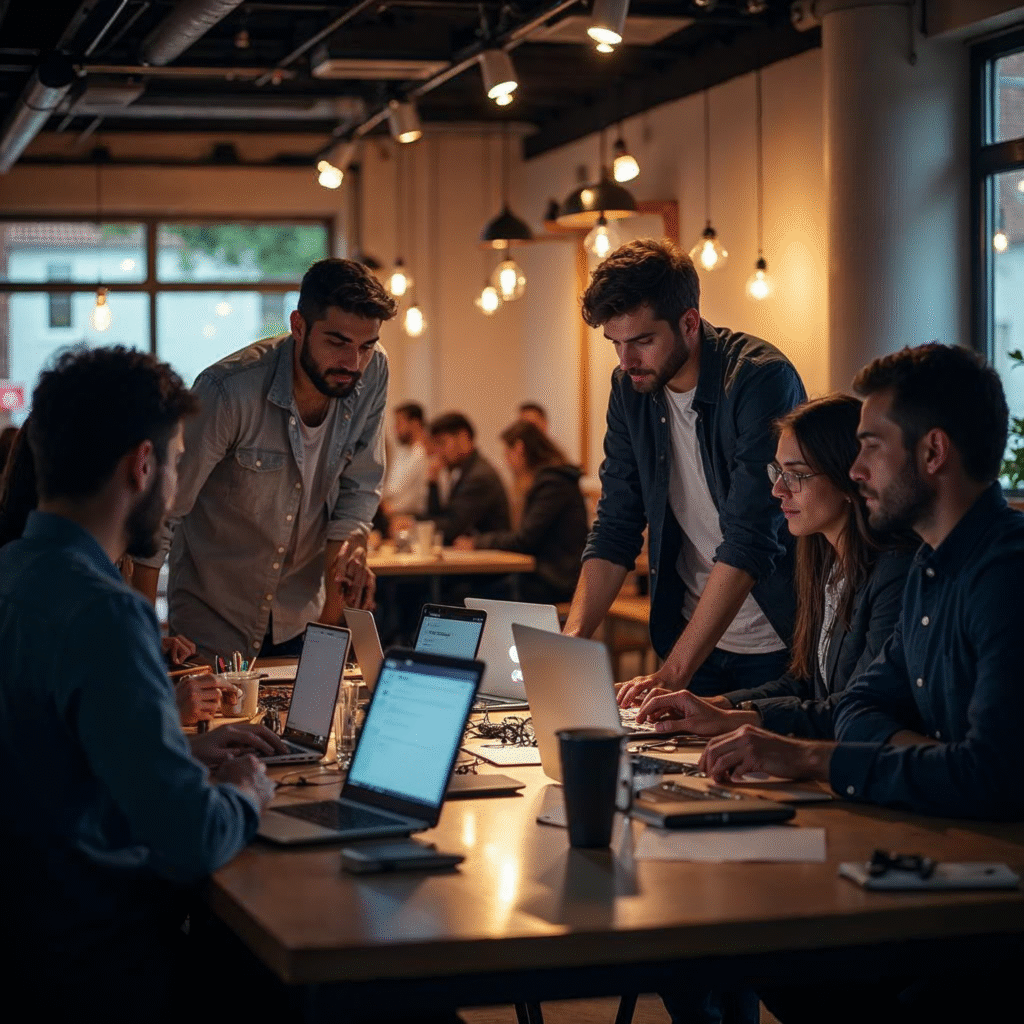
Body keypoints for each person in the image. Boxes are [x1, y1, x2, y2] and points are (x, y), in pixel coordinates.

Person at [0, 346, 282, 1013]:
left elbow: (42, 761)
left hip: (24, 943)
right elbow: (193, 836)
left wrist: (177, 752)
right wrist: (245, 790)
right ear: (143, 465)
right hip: (96, 964)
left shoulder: (11, 573)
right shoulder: (105, 612)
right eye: (180, 461)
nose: (179, 486)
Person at [698, 343, 1024, 825]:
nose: (854, 470)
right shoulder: (928, 569)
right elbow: (855, 707)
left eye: (872, 445)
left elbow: (990, 779)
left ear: (933, 451)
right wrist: (934, 757)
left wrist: (808, 757)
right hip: (944, 832)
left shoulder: (1007, 575)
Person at [565, 239, 806, 701]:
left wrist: (672, 672)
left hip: (777, 639)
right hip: (692, 640)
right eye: (615, 344)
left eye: (642, 341)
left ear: (689, 322)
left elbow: (750, 539)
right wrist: (569, 643)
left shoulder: (759, 380)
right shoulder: (630, 388)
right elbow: (617, 525)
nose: (626, 361)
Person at [132, 258, 397, 663]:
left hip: (302, 619)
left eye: (366, 346)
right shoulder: (227, 392)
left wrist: (329, 630)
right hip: (213, 625)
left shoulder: (372, 373)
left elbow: (358, 491)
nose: (352, 363)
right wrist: (142, 644)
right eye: (338, 342)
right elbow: (160, 519)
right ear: (298, 326)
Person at [637, 394, 914, 739]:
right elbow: (806, 682)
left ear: (850, 478)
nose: (778, 490)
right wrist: (718, 705)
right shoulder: (824, 561)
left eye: (796, 475)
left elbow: (858, 708)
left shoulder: (895, 571)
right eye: (778, 472)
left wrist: (740, 720)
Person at [454, 420, 588, 604]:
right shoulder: (551, 481)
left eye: (507, 454)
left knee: (464, 594)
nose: (506, 462)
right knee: (468, 587)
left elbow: (524, 540)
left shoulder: (552, 484)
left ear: (519, 448)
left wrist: (477, 542)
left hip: (555, 581)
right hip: (544, 574)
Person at [426, 411, 511, 544]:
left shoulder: (479, 477)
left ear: (463, 437)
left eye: (442, 443)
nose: (438, 452)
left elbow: (452, 529)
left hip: (491, 558)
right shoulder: (466, 470)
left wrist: (413, 524)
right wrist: (433, 482)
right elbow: (441, 518)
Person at [381, 400, 429, 522]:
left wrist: (386, 505)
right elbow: (390, 488)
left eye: (399, 423)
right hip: (393, 514)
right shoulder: (402, 452)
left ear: (415, 423)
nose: (395, 429)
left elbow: (396, 490)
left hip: (412, 518)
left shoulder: (422, 453)